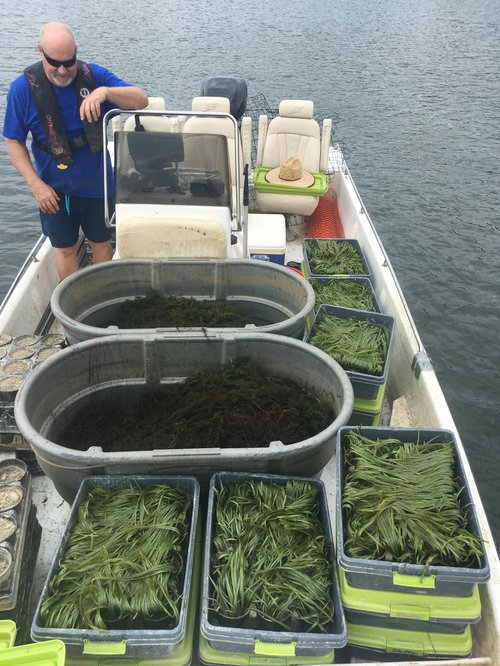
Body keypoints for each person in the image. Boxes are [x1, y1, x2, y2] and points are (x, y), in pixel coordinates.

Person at [2, 22, 148, 279]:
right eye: (54, 62)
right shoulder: (22, 89)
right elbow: (13, 140)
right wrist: (36, 185)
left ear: (76, 53)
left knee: (101, 244)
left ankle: (100, 293)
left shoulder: (93, 76)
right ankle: (74, 302)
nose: (62, 70)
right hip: (53, 190)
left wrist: (104, 92)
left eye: (69, 62)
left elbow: (140, 100)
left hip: (97, 185)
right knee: (66, 249)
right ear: (40, 52)